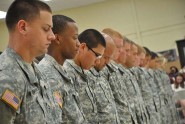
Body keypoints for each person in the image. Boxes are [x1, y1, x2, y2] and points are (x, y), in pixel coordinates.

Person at [0, 0, 57, 123]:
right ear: (23, 27)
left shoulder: (35, 69)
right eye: (46, 29)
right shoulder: (6, 78)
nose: (52, 36)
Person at [38, 15, 87, 123]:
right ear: (58, 39)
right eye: (74, 38)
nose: (78, 44)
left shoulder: (63, 70)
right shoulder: (46, 73)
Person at [63, 29, 106, 123]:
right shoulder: (66, 73)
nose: (98, 61)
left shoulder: (86, 72)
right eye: (97, 55)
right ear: (82, 47)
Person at [86, 33, 120, 123]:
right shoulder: (84, 75)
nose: (108, 62)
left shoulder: (102, 72)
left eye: (110, 58)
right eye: (105, 57)